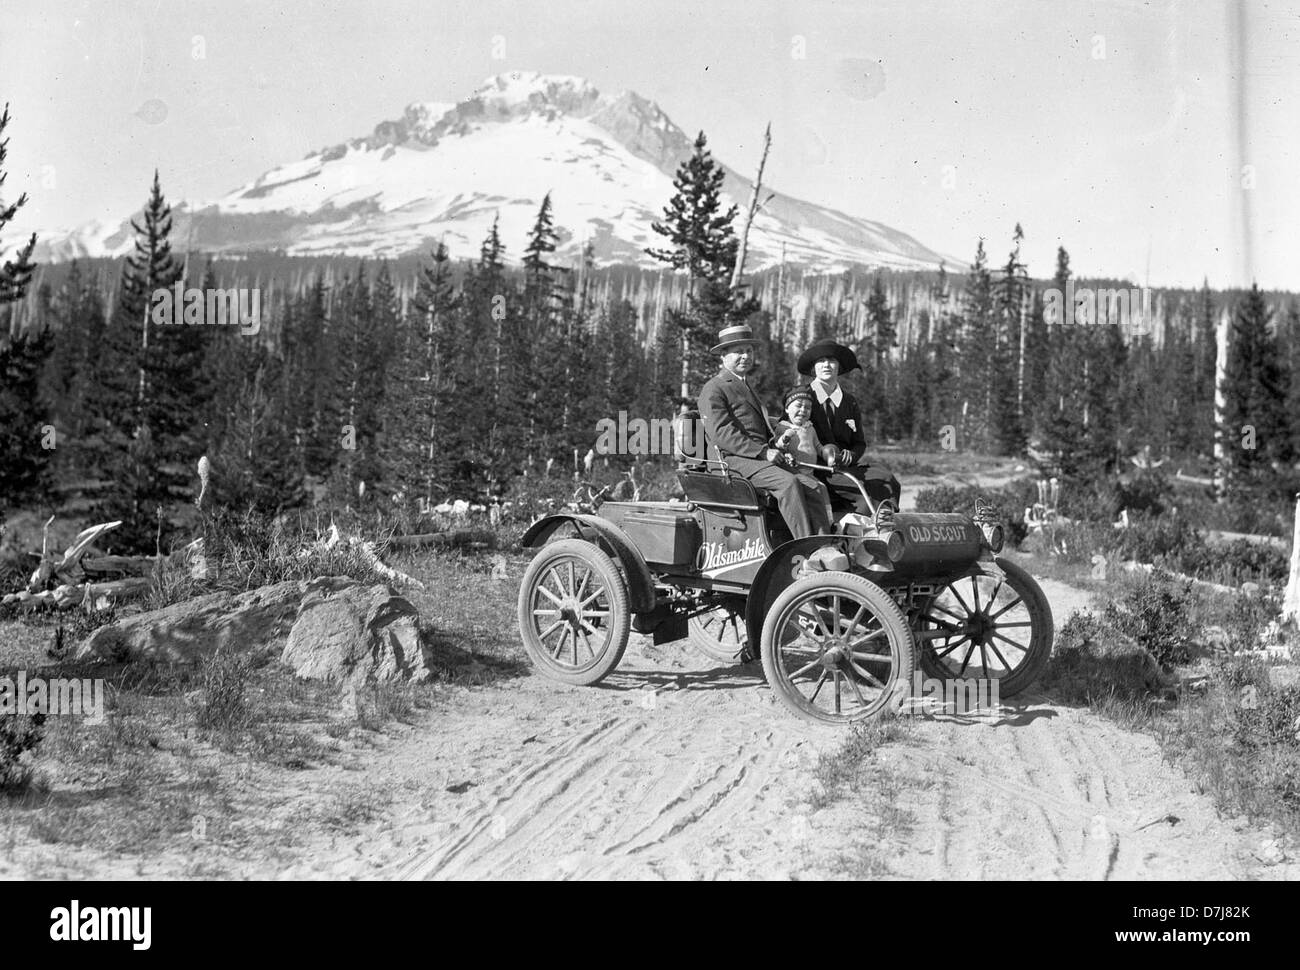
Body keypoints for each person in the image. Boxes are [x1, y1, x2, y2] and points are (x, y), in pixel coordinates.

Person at [699, 324, 832, 539]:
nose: (745, 356)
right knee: (788, 483)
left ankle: (824, 545)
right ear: (723, 356)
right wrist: (763, 452)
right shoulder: (715, 388)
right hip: (731, 461)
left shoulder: (744, 386)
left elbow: (758, 429)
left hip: (757, 459)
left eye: (749, 351)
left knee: (813, 486)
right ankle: (806, 547)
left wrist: (777, 447)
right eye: (738, 351)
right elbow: (722, 434)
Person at [797, 338, 902, 514]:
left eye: (831, 361)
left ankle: (884, 525)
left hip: (846, 467)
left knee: (887, 478)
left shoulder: (849, 401)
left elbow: (859, 442)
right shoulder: (802, 396)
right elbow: (790, 430)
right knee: (863, 489)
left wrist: (852, 455)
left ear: (839, 367)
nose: (826, 365)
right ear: (813, 368)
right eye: (821, 361)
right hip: (817, 468)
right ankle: (862, 533)